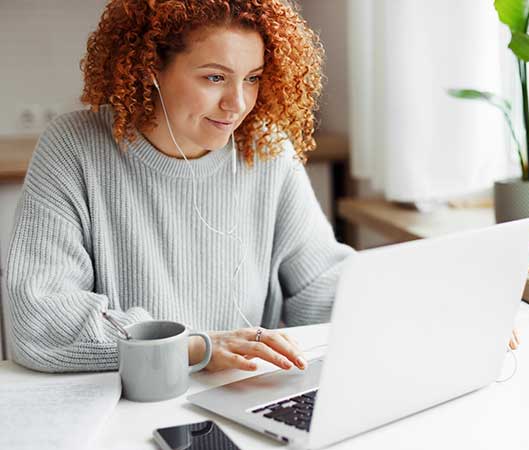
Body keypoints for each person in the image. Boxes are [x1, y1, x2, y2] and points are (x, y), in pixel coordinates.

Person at [6, 0, 355, 373]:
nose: (237, 104)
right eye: (214, 78)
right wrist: (192, 347)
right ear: (152, 66)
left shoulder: (266, 150)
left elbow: (318, 286)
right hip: (128, 400)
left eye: (252, 78)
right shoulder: (74, 146)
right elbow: (40, 318)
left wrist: (390, 307)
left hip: (240, 391)